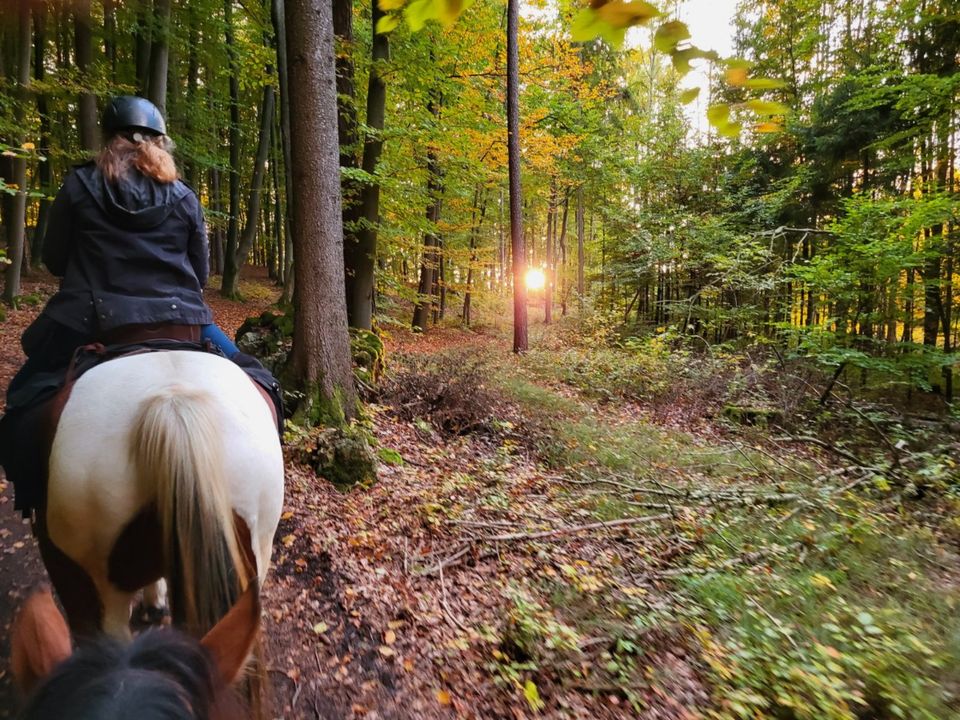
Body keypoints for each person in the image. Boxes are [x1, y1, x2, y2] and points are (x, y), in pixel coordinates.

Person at [3, 94, 281, 423]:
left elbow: (54, 260)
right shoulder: (185, 196)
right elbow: (201, 273)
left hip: (91, 318)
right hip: (180, 321)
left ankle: (29, 475)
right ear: (160, 143)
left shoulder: (78, 185)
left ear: (109, 140)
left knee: (24, 395)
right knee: (261, 384)